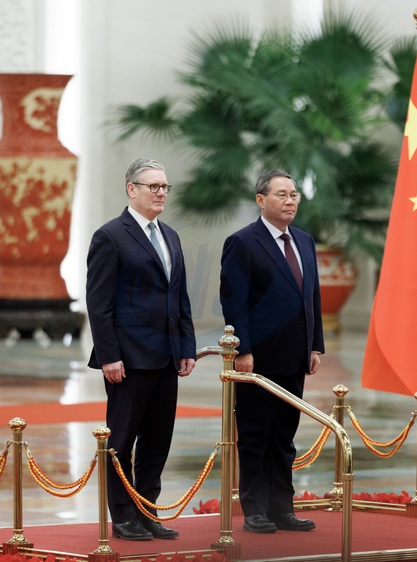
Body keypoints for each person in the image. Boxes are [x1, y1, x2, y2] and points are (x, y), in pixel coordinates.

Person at [86, 158, 196, 541]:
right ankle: (122, 517)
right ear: (131, 189)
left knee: (157, 441)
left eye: (165, 187)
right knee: (121, 441)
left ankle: (147, 511)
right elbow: (99, 304)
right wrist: (109, 355)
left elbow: (179, 297)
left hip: (166, 357)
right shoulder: (110, 236)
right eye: (154, 186)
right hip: (128, 360)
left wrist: (187, 347)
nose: (161, 193)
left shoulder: (170, 236)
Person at [220, 169, 324, 534]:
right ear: (261, 200)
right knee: (255, 436)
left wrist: (315, 345)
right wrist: (243, 350)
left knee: (284, 436)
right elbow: (234, 301)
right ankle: (255, 510)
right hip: (258, 359)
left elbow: (312, 296)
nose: (290, 201)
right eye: (282, 194)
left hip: (295, 357)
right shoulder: (242, 242)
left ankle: (283, 508)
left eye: (294, 195)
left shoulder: (304, 240)